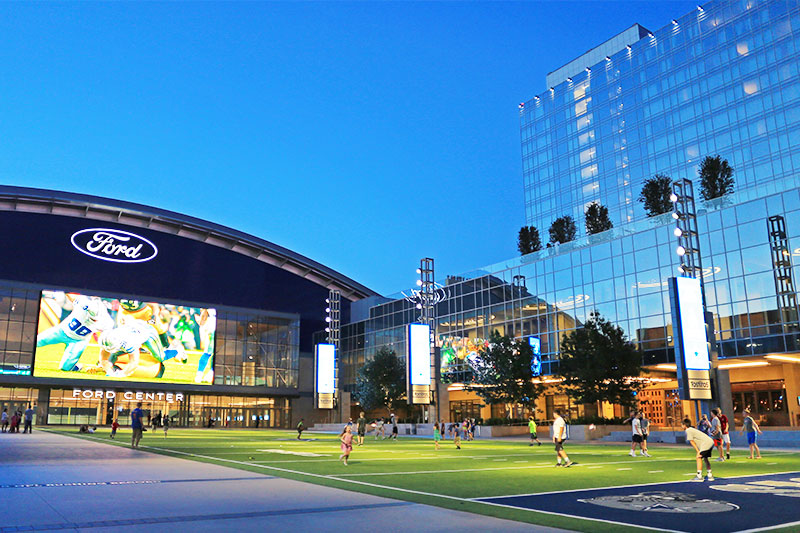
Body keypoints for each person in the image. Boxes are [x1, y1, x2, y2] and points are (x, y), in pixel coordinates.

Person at [36, 295, 114, 372]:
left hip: (78, 341)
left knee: (65, 368)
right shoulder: (83, 303)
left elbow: (106, 344)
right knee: (36, 341)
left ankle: (76, 367)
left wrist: (103, 361)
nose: (91, 320)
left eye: (95, 320)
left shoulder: (107, 322)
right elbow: (72, 297)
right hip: (61, 331)